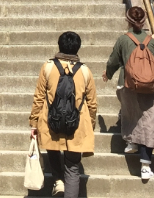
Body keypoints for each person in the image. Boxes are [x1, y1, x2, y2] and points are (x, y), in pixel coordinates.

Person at [30, 31, 98, 198]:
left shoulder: (47, 66)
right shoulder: (85, 71)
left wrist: (34, 122)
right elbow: (92, 103)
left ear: (59, 46)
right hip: (77, 123)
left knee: (52, 150)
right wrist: (90, 124)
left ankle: (58, 180)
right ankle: (64, 184)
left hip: (50, 121)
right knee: (73, 168)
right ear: (77, 48)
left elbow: (39, 97)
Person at [103, 6, 154, 183]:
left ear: (127, 20)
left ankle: (131, 142)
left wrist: (108, 73)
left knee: (131, 115)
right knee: (149, 122)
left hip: (127, 83)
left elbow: (113, 60)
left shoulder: (123, 40)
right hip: (150, 86)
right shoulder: (151, 41)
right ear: (144, 21)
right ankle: (146, 166)